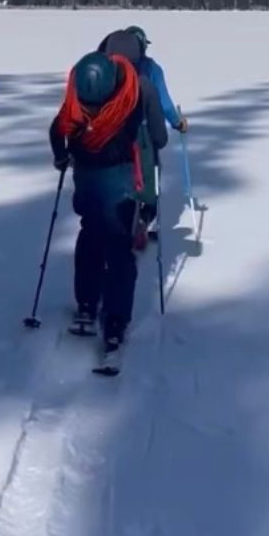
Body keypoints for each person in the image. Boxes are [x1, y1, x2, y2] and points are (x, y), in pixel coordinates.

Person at [49, 50, 168, 352]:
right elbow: (154, 137)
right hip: (119, 180)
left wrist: (62, 156)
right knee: (117, 245)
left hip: (89, 178)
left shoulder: (80, 98)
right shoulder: (135, 93)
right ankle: (114, 320)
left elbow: (57, 128)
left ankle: (88, 305)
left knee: (91, 235)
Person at [97, 25, 188, 134]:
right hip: (140, 133)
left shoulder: (107, 65)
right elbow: (165, 104)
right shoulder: (152, 69)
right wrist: (178, 123)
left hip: (108, 130)